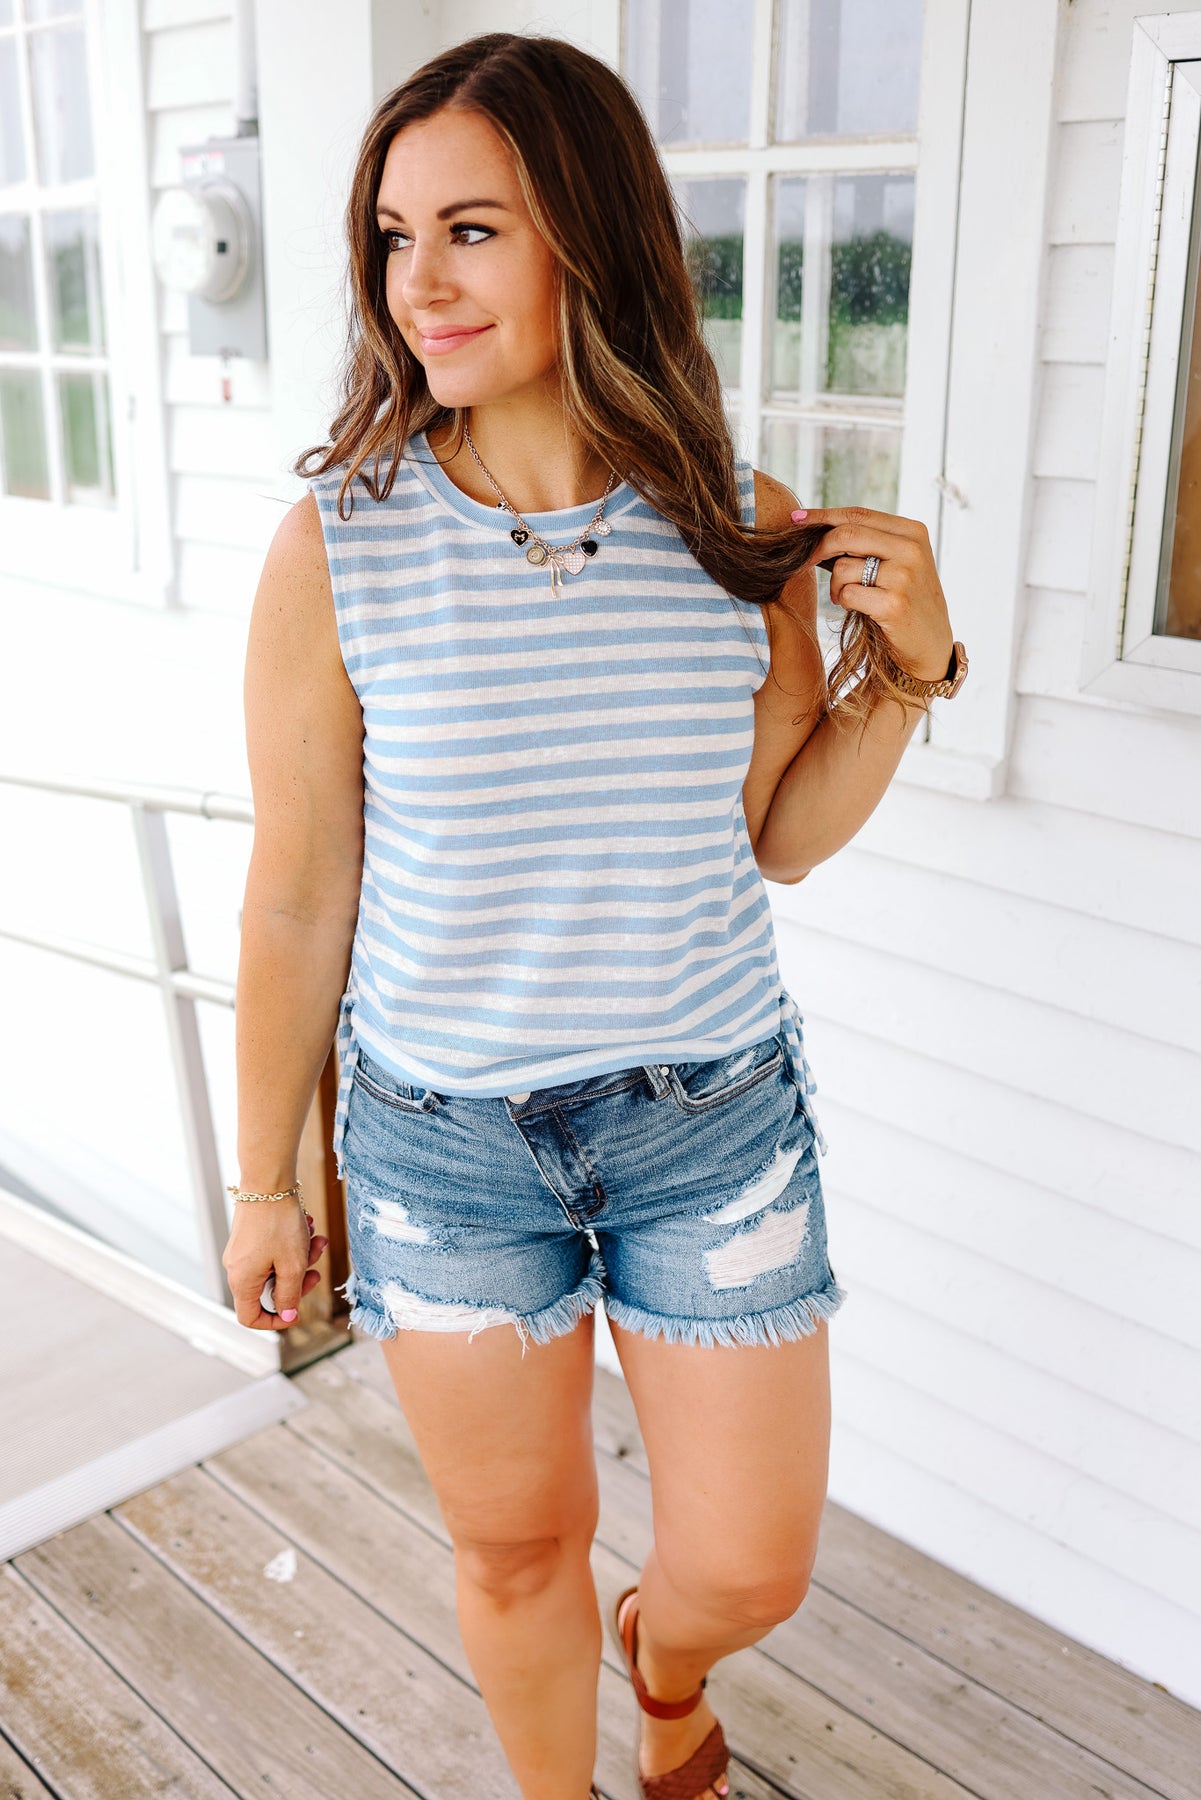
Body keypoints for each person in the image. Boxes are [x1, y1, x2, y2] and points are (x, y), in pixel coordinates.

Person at [221, 32, 964, 1800]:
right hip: (443, 1148)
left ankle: (667, 1661)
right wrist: (268, 1179)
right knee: (513, 1549)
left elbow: (778, 838)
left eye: (471, 229)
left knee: (746, 1568)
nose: (418, 283)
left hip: (711, 1132)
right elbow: (301, 890)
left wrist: (909, 672)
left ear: (591, 236)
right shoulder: (339, 546)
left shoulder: (733, 525)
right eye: (393, 238)